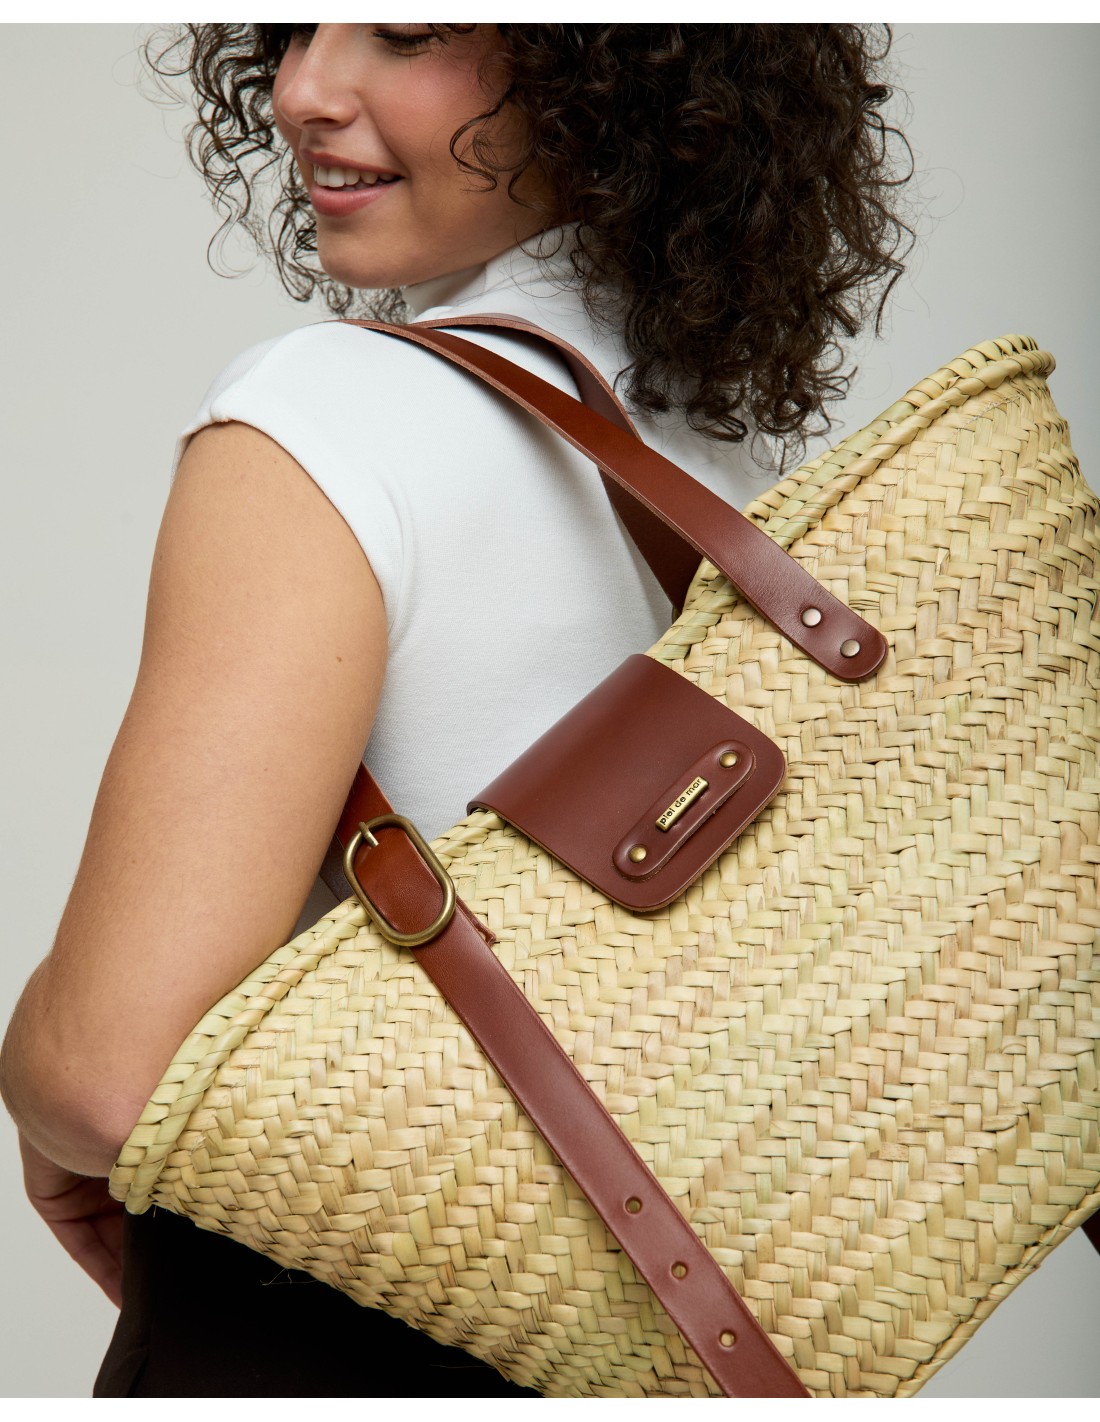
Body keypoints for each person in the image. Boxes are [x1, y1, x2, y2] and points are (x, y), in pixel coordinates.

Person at [0, 23, 911, 1396]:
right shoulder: (743, 474)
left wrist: (39, 1097)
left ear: (607, 65)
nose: (302, 88)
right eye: (298, 26)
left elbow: (107, 1081)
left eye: (410, 31)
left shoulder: (327, 413)